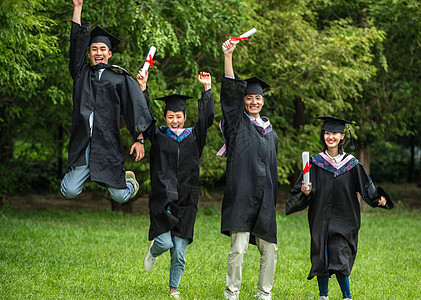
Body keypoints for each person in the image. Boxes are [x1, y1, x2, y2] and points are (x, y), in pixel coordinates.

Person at [286, 116, 394, 300]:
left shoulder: (352, 164)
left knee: (341, 256)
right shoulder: (315, 162)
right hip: (320, 216)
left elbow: (366, 187)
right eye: (327, 133)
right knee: (322, 254)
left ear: (342, 136)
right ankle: (323, 296)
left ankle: (347, 296)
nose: (330, 137)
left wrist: (378, 200)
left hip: (345, 218)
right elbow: (303, 190)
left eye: (334, 133)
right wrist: (305, 191)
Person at [60, 0, 153, 203]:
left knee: (120, 197)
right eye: (94, 49)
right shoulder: (81, 73)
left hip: (107, 144)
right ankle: (86, 172)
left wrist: (139, 140)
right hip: (83, 143)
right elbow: (76, 44)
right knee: (69, 191)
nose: (98, 52)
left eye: (103, 49)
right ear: (89, 53)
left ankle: (128, 181)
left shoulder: (120, 78)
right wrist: (78, 8)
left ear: (109, 54)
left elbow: (134, 108)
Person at [141, 71, 214, 299]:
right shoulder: (159, 136)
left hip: (187, 200)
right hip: (163, 198)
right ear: (165, 118)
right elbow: (145, 117)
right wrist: (143, 88)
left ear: (185, 117)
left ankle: (173, 289)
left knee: (179, 252)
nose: (175, 121)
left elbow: (206, 119)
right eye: (170, 117)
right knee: (164, 243)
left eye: (179, 116)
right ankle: (153, 251)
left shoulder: (194, 137)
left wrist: (207, 89)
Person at [218, 40, 278, 300]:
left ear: (263, 101)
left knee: (270, 249)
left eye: (258, 98)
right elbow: (229, 96)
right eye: (249, 98)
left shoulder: (271, 133)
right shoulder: (235, 124)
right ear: (244, 102)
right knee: (239, 248)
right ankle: (232, 293)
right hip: (242, 194)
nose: (254, 102)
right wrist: (228, 57)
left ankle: (264, 293)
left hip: (265, 198)